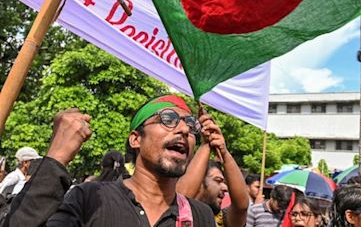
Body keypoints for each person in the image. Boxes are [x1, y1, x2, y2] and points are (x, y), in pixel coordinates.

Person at [4, 95, 216, 226]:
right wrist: (56, 158)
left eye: (191, 124)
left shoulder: (199, 216)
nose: (184, 129)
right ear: (136, 139)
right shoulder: (89, 199)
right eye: (168, 119)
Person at [175, 106, 248, 227]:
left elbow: (242, 207)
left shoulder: (223, 219)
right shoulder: (177, 216)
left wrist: (224, 152)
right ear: (198, 184)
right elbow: (182, 198)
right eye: (218, 180)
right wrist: (206, 145)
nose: (225, 188)